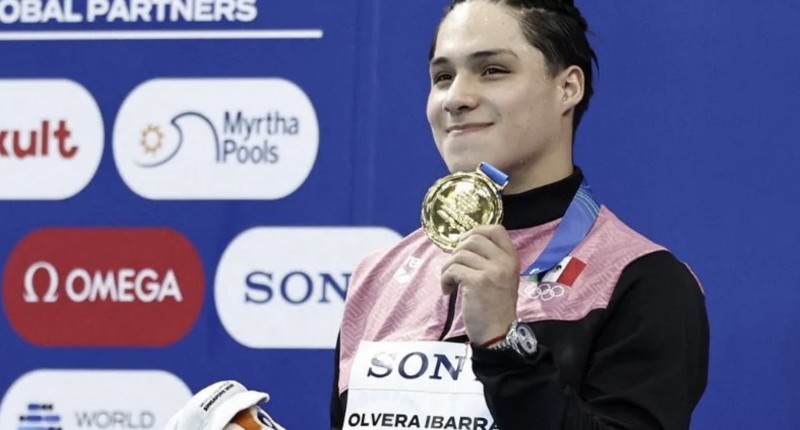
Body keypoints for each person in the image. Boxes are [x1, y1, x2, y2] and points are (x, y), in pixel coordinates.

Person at [330, 0, 709, 429]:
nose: (456, 99)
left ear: (568, 88)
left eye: (492, 70)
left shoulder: (640, 281)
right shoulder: (378, 277)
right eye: (443, 77)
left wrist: (503, 342)